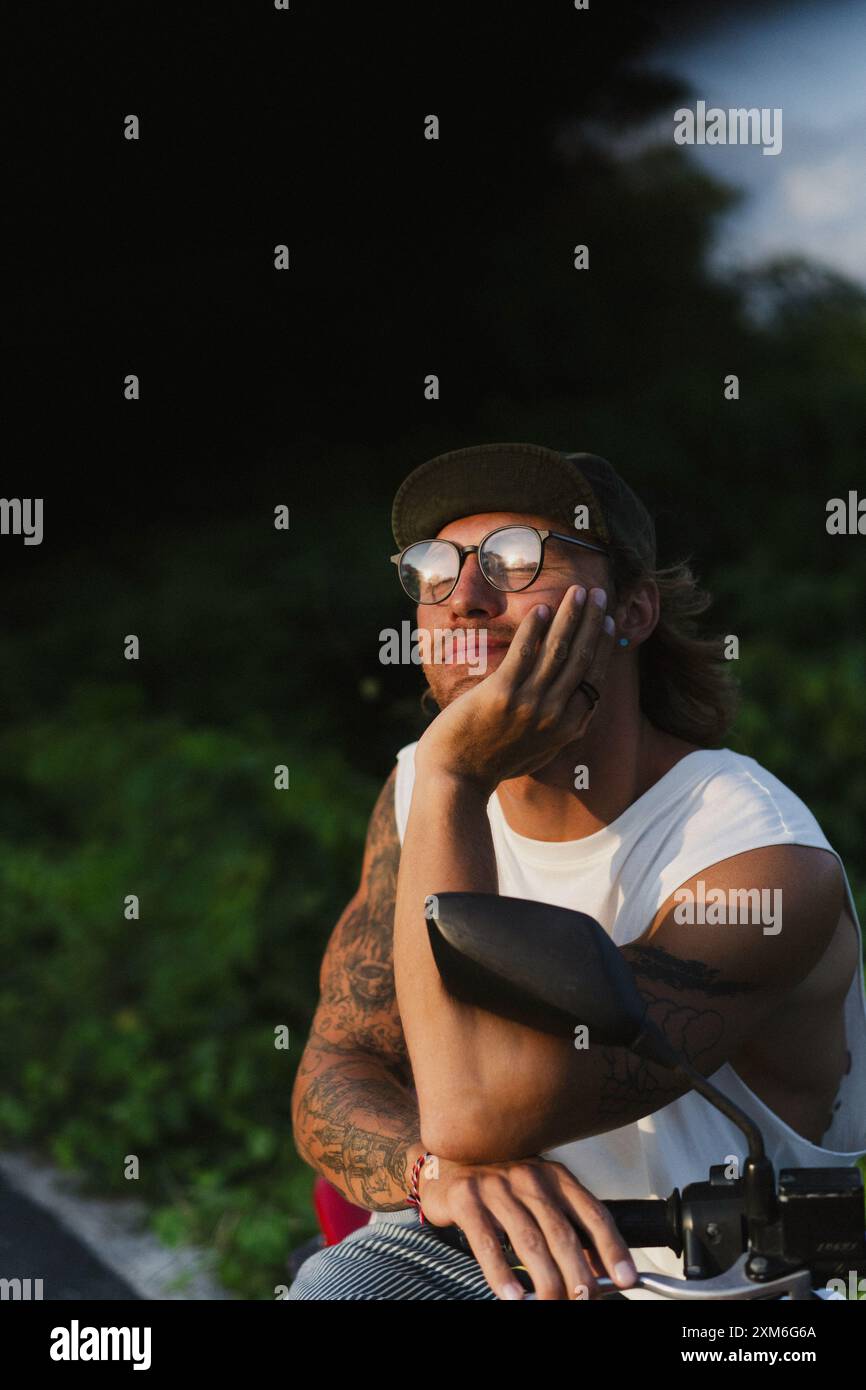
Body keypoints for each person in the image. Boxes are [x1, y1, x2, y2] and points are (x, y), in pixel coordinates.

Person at [289, 441, 866, 1300]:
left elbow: (474, 1112)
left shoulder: (757, 859)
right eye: (433, 570)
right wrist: (432, 1175)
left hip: (699, 1285)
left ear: (632, 611)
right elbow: (336, 1066)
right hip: (486, 1245)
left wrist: (455, 775)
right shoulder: (420, 787)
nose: (465, 600)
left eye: (515, 560)